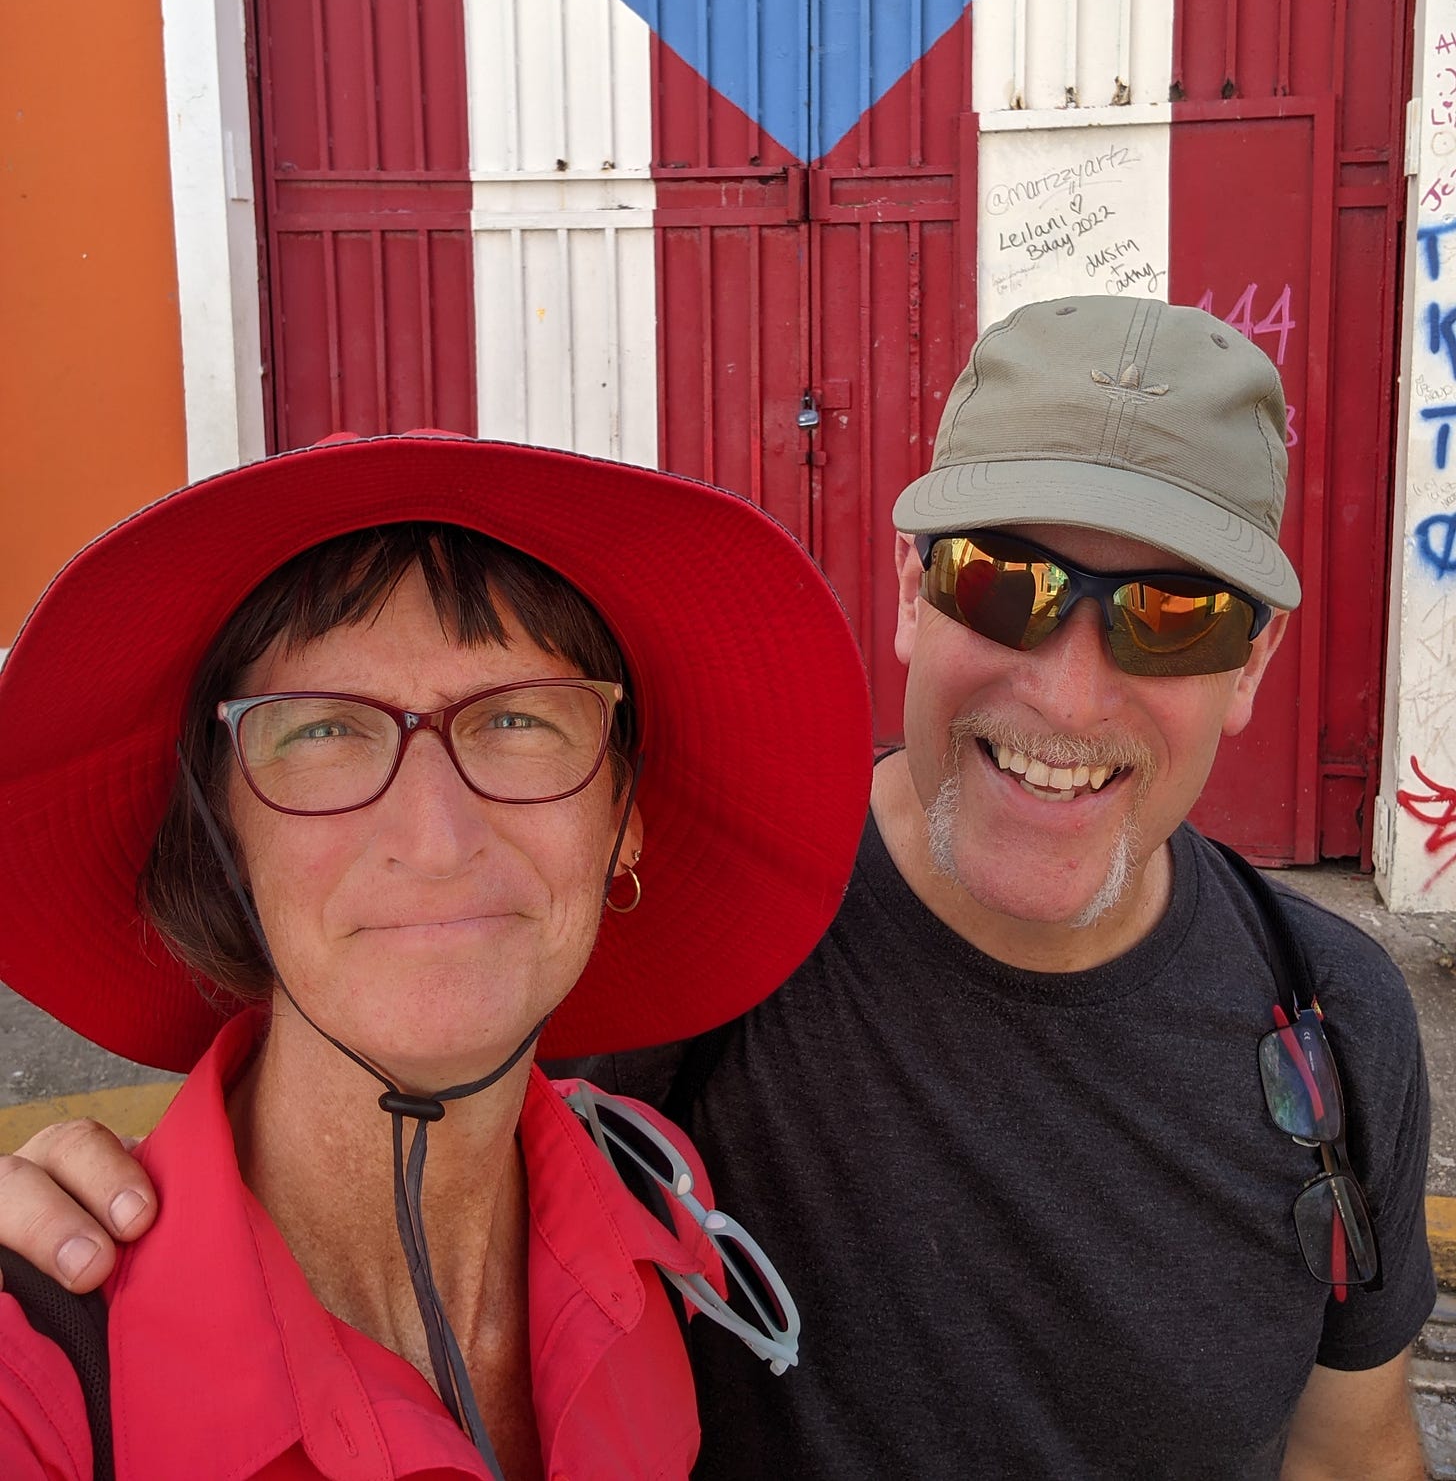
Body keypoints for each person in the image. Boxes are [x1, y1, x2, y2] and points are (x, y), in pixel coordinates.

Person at [0, 299, 1436, 1479]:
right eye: (1007, 581)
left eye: (1176, 615)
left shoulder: (1330, 1024)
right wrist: (68, 1225)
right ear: (911, 590)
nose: (1068, 690)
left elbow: (1354, 1444)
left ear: (1253, 664)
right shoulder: (690, 996)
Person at [0, 431, 871, 1478]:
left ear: (623, 816)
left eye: (517, 719)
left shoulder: (650, 1193)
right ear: (220, 829)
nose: (435, 835)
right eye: (321, 731)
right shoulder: (37, 1377)